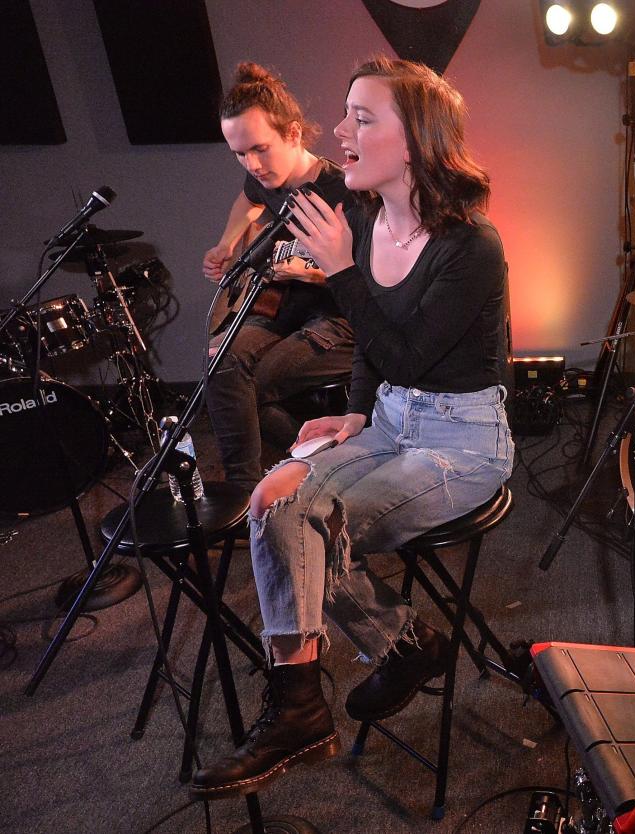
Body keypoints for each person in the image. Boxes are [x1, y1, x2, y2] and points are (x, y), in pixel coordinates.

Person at [191, 57, 513, 799]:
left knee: (308, 517)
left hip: (461, 442)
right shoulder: (366, 219)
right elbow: (377, 352)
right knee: (273, 497)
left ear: (417, 141)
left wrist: (340, 272)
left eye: (362, 118)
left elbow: (410, 349)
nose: (339, 130)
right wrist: (361, 411)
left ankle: (327, 689)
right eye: (346, 114)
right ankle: (386, 655)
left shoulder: (473, 246)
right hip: (393, 418)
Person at [203, 62, 357, 491]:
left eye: (259, 149)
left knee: (244, 385)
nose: (250, 164)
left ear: (293, 133)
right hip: (285, 308)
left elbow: (375, 277)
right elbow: (248, 199)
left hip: (339, 320)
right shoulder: (266, 179)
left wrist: (314, 273)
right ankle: (269, 481)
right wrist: (227, 242)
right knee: (220, 367)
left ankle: (286, 477)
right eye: (239, 153)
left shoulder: (343, 189)